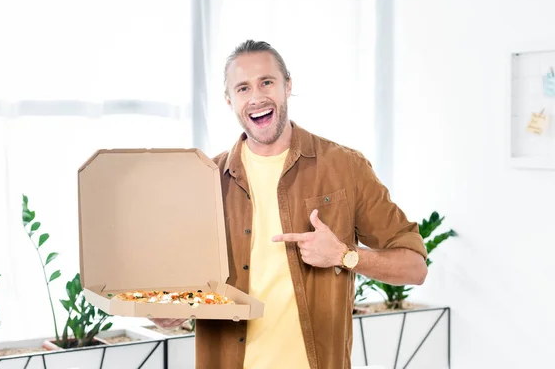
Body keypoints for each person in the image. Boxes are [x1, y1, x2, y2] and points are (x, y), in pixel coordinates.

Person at [151, 40, 428, 369]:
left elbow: (415, 267)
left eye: (266, 82)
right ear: (229, 100)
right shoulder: (207, 182)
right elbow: (182, 292)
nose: (256, 97)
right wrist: (169, 312)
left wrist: (344, 255)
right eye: (243, 88)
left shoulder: (345, 167)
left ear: (288, 86)